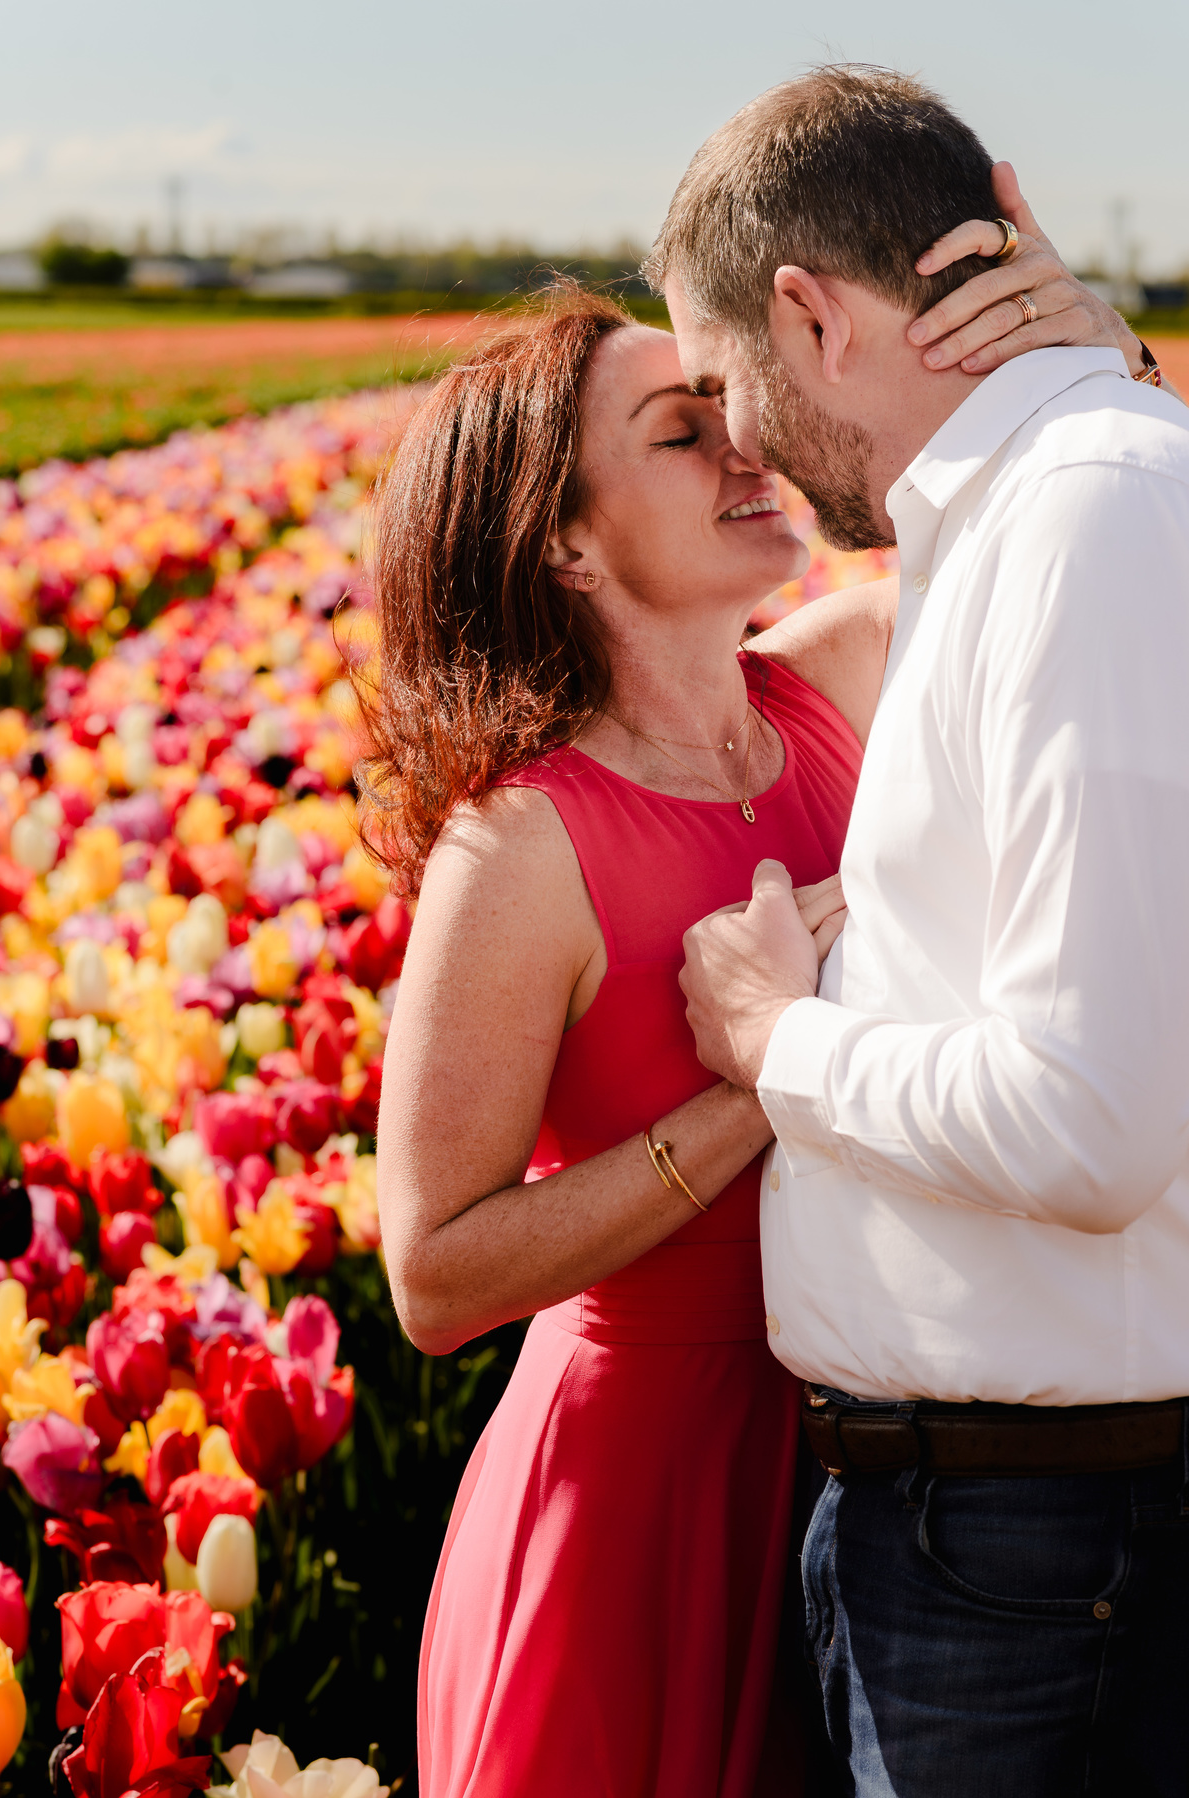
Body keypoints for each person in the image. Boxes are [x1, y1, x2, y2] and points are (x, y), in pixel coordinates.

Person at [369, 225, 1135, 1795]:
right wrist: (754, 1081)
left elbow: (1106, 552)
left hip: (866, 1451)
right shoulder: (523, 847)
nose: (749, 444)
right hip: (636, 1487)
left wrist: (1100, 365)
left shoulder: (840, 679)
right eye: (682, 430)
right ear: (567, 546)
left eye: (732, 402)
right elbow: (434, 1275)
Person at [658, 66, 1189, 1796]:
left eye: (721, 382)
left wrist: (778, 1036)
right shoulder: (1036, 500)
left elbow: (1091, 1119)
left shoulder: (1085, 513)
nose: (735, 442)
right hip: (996, 1526)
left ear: (809, 315)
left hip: (1047, 1544)